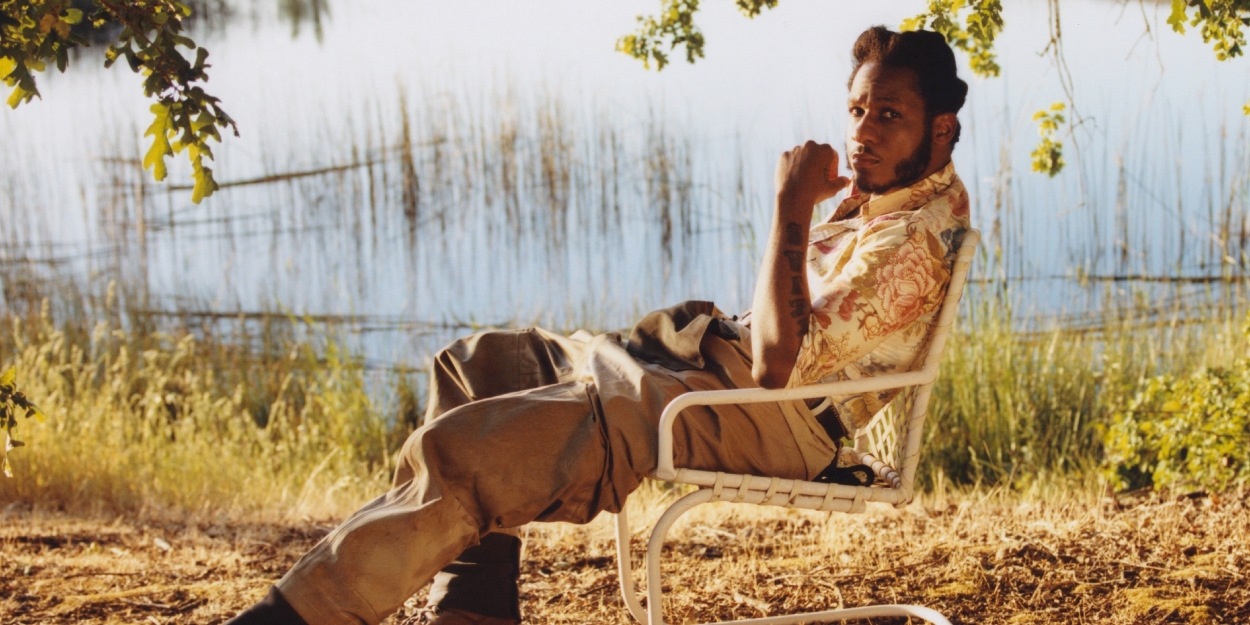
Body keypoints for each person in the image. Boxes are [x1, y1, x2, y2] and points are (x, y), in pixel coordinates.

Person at [227, 25, 971, 625]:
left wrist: (789, 208)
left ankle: (290, 618)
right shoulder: (890, 200)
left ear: (940, 131)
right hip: (711, 365)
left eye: (888, 115)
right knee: (478, 364)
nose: (862, 132)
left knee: (462, 454)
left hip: (765, 414)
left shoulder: (909, 244)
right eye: (857, 110)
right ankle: (473, 613)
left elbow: (778, 365)